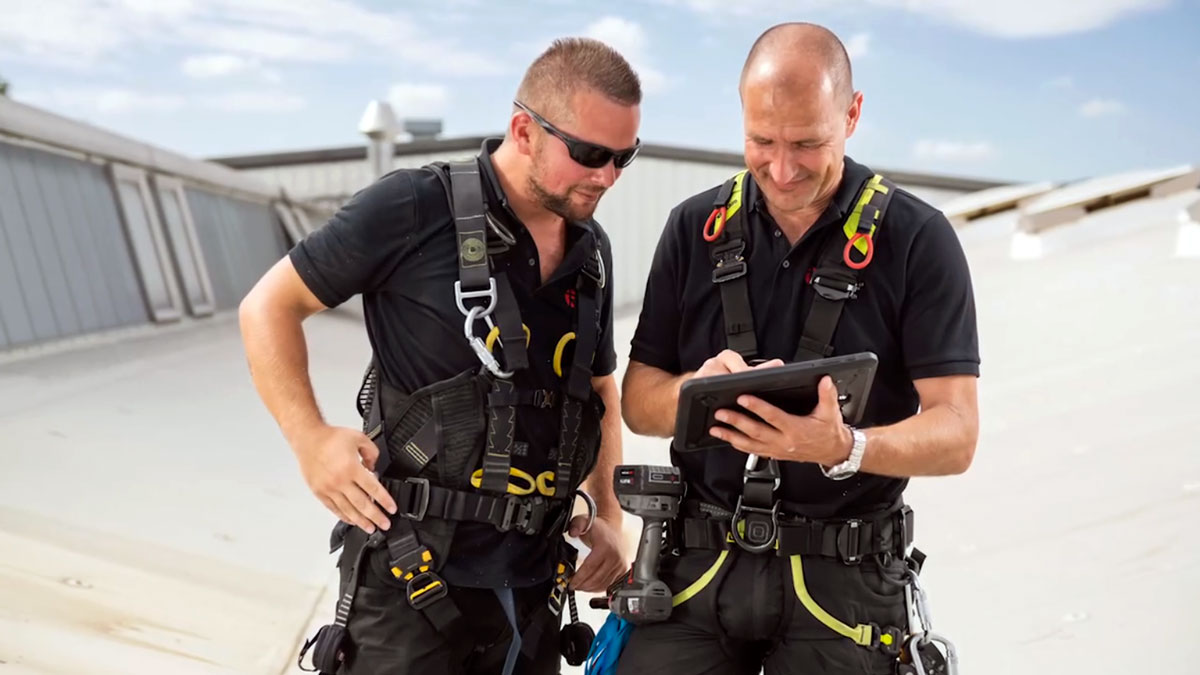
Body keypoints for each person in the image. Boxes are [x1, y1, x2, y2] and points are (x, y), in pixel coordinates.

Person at [238, 37, 641, 675]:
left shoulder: (592, 253)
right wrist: (309, 438)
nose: (608, 176)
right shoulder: (412, 206)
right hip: (410, 586)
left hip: (535, 593)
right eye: (591, 154)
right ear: (524, 130)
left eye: (624, 156)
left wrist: (610, 517)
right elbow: (267, 306)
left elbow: (597, 391)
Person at [616, 22, 980, 675]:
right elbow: (639, 404)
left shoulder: (919, 239)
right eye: (762, 141)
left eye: (808, 143)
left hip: (844, 577)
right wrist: (695, 390)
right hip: (697, 566)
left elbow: (956, 432)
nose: (781, 170)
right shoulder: (691, 230)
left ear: (853, 113)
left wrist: (848, 448)